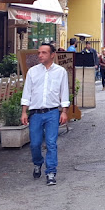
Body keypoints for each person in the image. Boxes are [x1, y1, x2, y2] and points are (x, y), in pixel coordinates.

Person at [20, 43, 69, 186]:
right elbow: (27, 92)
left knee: (51, 143)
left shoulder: (60, 72)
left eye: (44, 53)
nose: (40, 55)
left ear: (52, 55)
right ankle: (38, 163)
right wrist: (24, 111)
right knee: (35, 144)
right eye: (39, 53)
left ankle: (51, 172)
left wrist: (64, 112)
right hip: (35, 113)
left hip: (52, 112)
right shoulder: (32, 72)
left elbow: (64, 92)